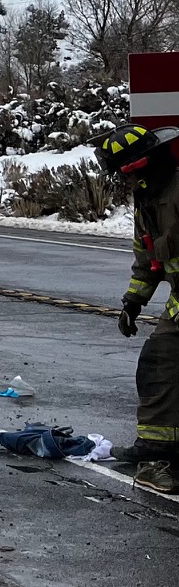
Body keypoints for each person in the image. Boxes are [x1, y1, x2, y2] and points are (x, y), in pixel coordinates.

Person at [97, 124, 179, 491]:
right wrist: (134, 301)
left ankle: (156, 452)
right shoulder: (148, 200)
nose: (134, 179)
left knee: (161, 361)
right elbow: (148, 259)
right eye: (127, 173)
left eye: (137, 169)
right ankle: (157, 449)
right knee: (161, 364)